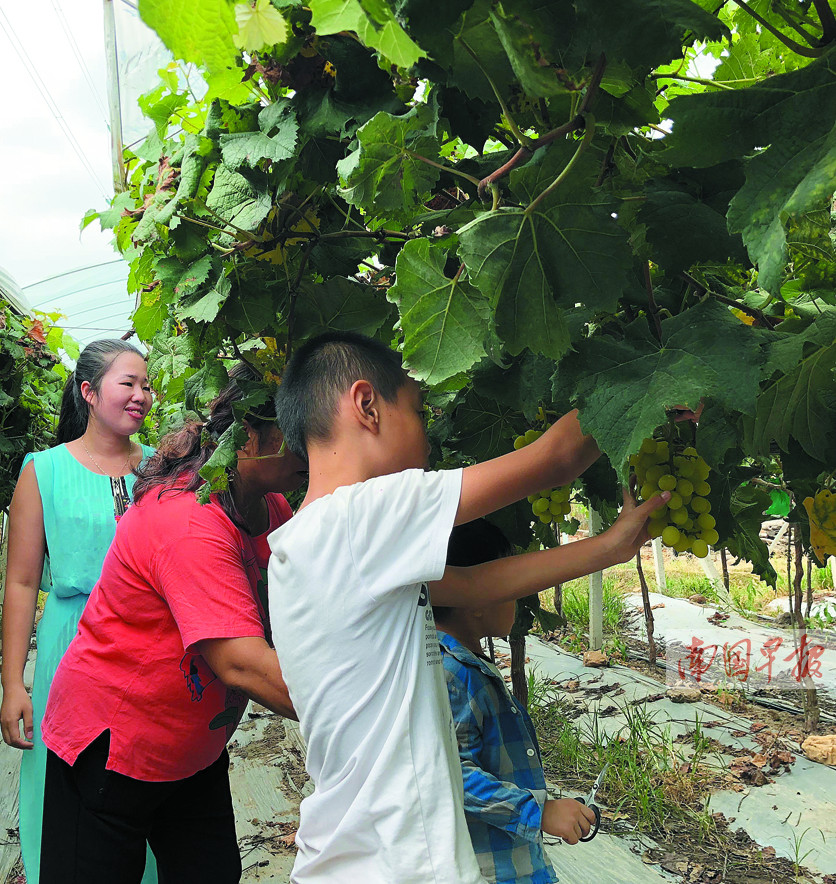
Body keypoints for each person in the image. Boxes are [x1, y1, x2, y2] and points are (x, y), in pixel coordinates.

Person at [267, 332, 669, 884]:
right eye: (417, 410)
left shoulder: (305, 546)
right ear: (366, 406)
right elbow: (554, 460)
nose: (427, 435)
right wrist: (655, 371)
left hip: (345, 860)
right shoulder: (361, 516)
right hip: (398, 868)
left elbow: (476, 586)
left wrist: (609, 548)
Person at [36, 369, 308, 883]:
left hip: (192, 752)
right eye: (302, 434)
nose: (317, 449)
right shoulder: (188, 519)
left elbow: (308, 591)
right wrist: (361, 713)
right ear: (249, 435)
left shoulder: (267, 505)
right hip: (114, 747)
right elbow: (240, 663)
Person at [0, 338, 155, 884]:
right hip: (72, 646)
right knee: (66, 780)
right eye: (128, 384)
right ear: (89, 392)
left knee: (146, 778)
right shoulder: (42, 470)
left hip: (150, 648)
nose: (142, 395)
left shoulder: (163, 470)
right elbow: (20, 582)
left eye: (146, 385)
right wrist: (12, 684)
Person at [436, 519, 580, 884]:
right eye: (511, 586)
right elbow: (451, 774)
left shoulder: (466, 664)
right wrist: (538, 812)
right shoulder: (452, 674)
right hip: (490, 871)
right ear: (477, 600)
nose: (519, 597)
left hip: (510, 862)